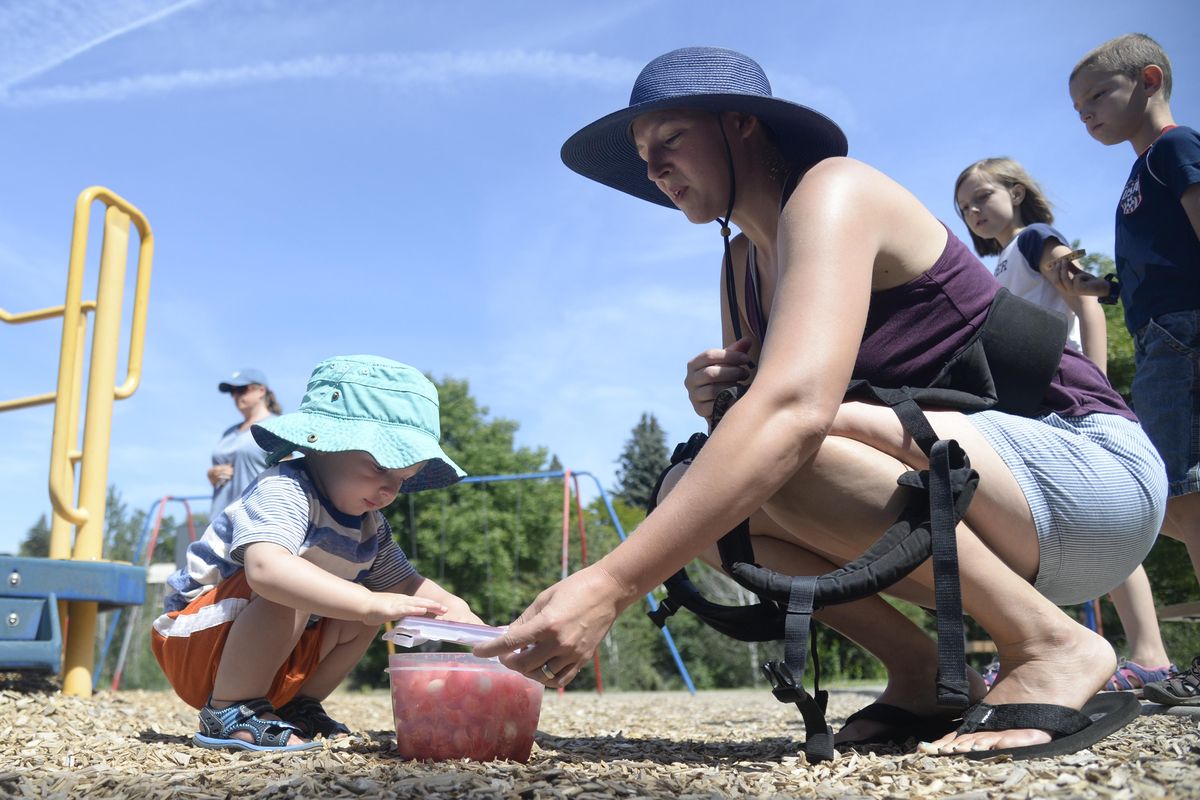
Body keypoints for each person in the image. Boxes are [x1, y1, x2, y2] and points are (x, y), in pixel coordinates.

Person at [475, 46, 1167, 757]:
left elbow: (791, 416)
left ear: (741, 124)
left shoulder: (835, 191)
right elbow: (751, 435)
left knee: (779, 443)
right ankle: (921, 672)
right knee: (697, 483)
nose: (653, 170)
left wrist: (609, 586)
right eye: (643, 155)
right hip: (986, 504)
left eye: (670, 140)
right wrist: (719, 398)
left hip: (1091, 471)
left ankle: (1049, 644)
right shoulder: (741, 262)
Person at [153, 355, 482, 751]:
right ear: (324, 444)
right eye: (381, 467)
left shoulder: (369, 524)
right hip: (197, 638)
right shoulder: (287, 488)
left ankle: (296, 705)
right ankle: (230, 709)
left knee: (369, 614)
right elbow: (266, 569)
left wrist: (456, 610)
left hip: (271, 644)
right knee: (302, 589)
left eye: (403, 479)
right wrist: (364, 600)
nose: (390, 490)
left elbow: (405, 584)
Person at [954, 157, 1175, 693]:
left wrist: (1097, 380)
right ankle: (1040, 649)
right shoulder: (998, 264)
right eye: (963, 208)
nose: (973, 211)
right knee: (1050, 527)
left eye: (982, 196)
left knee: (1097, 514)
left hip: (1069, 392)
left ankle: (1150, 652)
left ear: (1016, 190)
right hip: (1029, 398)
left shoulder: (1035, 238)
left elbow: (1083, 296)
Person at [1057, 33, 1200, 707]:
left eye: (1096, 97)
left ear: (1148, 80)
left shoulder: (1174, 149)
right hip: (1154, 338)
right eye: (1076, 106)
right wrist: (1098, 289)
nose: (1085, 113)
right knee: (1169, 501)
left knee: (1183, 499)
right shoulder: (1137, 173)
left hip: (1184, 336)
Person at [208, 368, 280, 518]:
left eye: (241, 389)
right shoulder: (228, 432)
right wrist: (212, 475)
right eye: (232, 392)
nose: (235, 396)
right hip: (220, 520)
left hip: (256, 519)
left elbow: (288, 474)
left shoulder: (276, 426)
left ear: (261, 390)